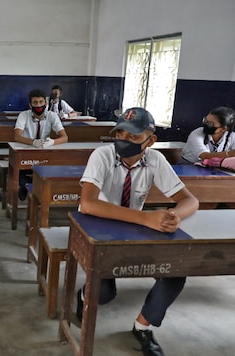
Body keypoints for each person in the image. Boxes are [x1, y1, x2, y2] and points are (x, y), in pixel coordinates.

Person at [77, 107, 199, 356]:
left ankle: (142, 326)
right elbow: (88, 204)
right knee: (103, 294)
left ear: (150, 140)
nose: (123, 140)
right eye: (120, 133)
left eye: (133, 137)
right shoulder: (102, 155)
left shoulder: (155, 160)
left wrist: (174, 217)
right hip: (98, 226)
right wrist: (146, 218)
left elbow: (190, 201)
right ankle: (84, 295)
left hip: (134, 227)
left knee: (176, 271)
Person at [14, 89, 68, 200]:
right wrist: (33, 142)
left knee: (55, 166)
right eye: (35, 103)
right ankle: (26, 185)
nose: (38, 105)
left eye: (41, 102)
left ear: (46, 104)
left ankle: (36, 187)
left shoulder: (52, 116)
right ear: (30, 105)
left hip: (45, 153)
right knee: (20, 169)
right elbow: (17, 136)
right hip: (26, 152)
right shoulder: (23, 115)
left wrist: (53, 142)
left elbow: (65, 137)